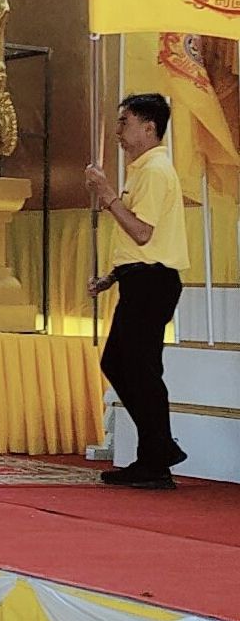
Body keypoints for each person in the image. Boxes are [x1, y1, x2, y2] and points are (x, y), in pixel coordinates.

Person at [84, 93, 190, 490]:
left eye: (124, 123)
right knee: (130, 365)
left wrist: (107, 195)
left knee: (135, 367)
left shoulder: (155, 171)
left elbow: (142, 233)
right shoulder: (143, 169)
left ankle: (158, 453)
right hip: (140, 278)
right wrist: (111, 277)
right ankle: (157, 453)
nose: (118, 134)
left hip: (152, 279)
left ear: (149, 128)